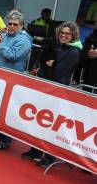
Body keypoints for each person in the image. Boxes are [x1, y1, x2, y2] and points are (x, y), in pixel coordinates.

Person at [22, 21, 82, 167]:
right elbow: (43, 67)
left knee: (52, 126)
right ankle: (35, 151)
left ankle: (49, 157)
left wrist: (49, 66)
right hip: (47, 89)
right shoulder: (57, 47)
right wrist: (46, 66)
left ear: (73, 35)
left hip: (58, 92)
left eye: (67, 33)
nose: (63, 35)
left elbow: (57, 73)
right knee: (40, 121)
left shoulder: (74, 52)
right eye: (62, 32)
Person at [0, 10, 33, 149]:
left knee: (7, 110)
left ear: (21, 26)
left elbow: (14, 55)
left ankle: (5, 140)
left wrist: (0, 44)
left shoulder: (24, 40)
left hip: (11, 80)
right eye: (10, 23)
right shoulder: (5, 35)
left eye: (15, 24)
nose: (11, 26)